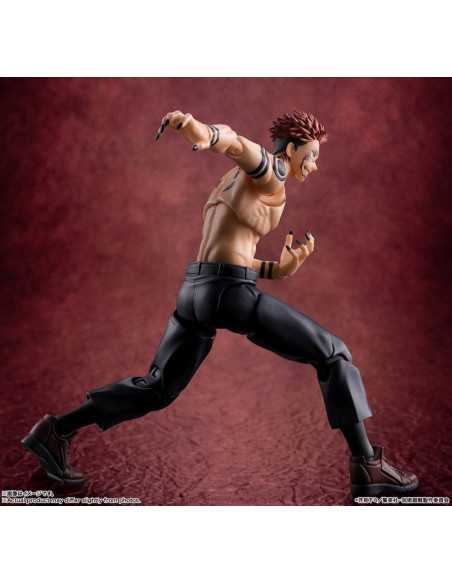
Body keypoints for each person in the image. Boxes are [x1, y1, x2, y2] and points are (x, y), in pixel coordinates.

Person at [22, 110, 419, 498]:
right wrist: (202, 132)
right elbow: (237, 143)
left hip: (197, 289)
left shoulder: (233, 182)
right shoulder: (272, 170)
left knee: (157, 388)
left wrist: (277, 269)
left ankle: (56, 430)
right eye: (311, 156)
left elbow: (234, 252)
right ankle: (367, 465)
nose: (314, 166)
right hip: (230, 294)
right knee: (334, 354)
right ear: (291, 149)